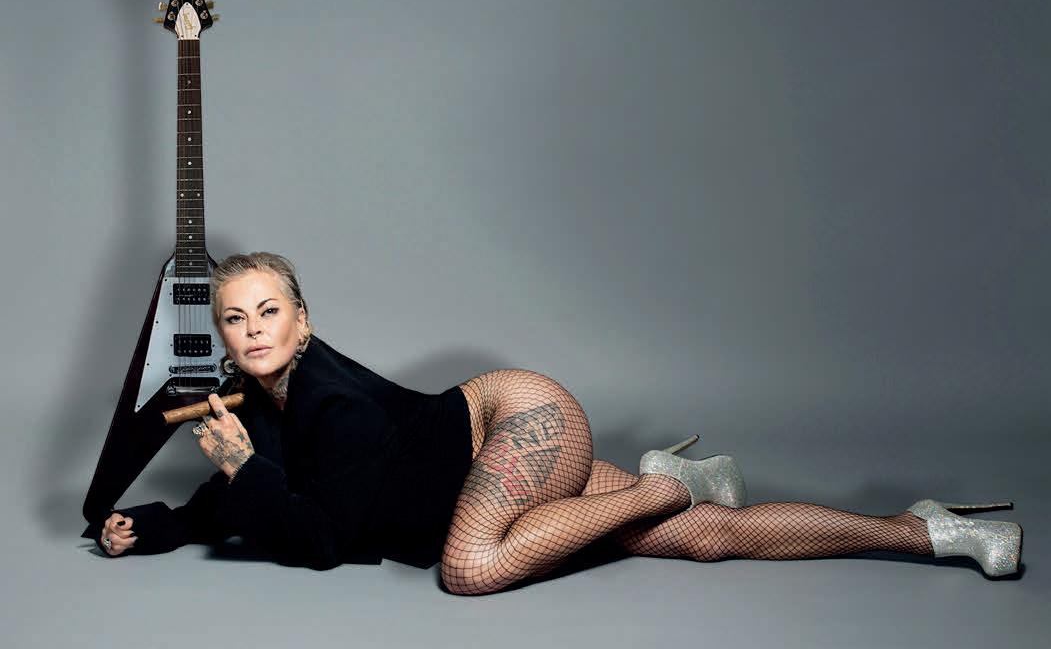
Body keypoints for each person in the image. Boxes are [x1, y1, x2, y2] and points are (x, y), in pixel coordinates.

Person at [91, 252, 1023, 594]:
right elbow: (253, 487)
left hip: (514, 419)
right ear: (223, 334)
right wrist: (158, 524)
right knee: (706, 540)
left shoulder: (328, 399)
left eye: (269, 311)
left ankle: (663, 481)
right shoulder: (257, 404)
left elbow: (320, 538)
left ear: (304, 321)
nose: (252, 330)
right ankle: (927, 529)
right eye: (235, 318)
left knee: (469, 567)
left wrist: (244, 469)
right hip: (493, 483)